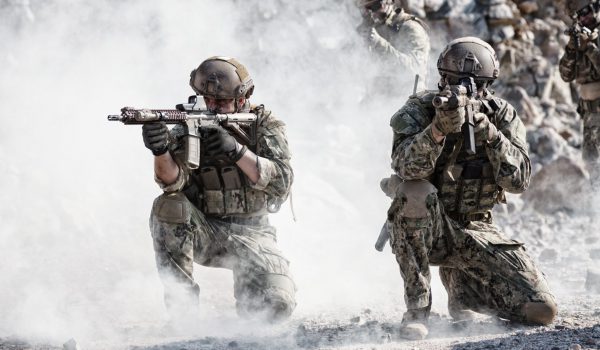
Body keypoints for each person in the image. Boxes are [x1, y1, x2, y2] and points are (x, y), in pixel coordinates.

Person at [385, 37, 557, 340]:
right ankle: (417, 310)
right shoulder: (420, 109)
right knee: (414, 193)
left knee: (541, 310)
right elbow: (406, 168)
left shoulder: (501, 115)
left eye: (475, 83)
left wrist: (491, 136)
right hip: (432, 228)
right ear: (442, 79)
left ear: (488, 85)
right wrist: (437, 130)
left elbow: (519, 182)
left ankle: (463, 291)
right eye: (453, 80)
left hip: (477, 228)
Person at [141, 56, 296, 323]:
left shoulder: (264, 126)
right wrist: (160, 150)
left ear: (243, 98)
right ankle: (183, 313)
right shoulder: (190, 126)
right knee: (169, 204)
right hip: (206, 232)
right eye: (206, 100)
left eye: (221, 102)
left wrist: (236, 151)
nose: (212, 107)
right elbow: (171, 182)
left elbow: (282, 183)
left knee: (272, 310)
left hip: (253, 235)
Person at [559, 0, 600, 185]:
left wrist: (589, 48)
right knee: (591, 160)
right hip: (590, 112)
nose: (583, 18)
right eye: (578, 15)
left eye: (585, 12)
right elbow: (566, 75)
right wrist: (571, 50)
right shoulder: (581, 38)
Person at [357, 0, 430, 93]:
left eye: (375, 6)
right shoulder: (372, 28)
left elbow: (414, 70)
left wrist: (379, 44)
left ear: (389, 2)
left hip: (408, 97)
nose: (371, 13)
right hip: (381, 95)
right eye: (365, 9)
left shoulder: (410, 27)